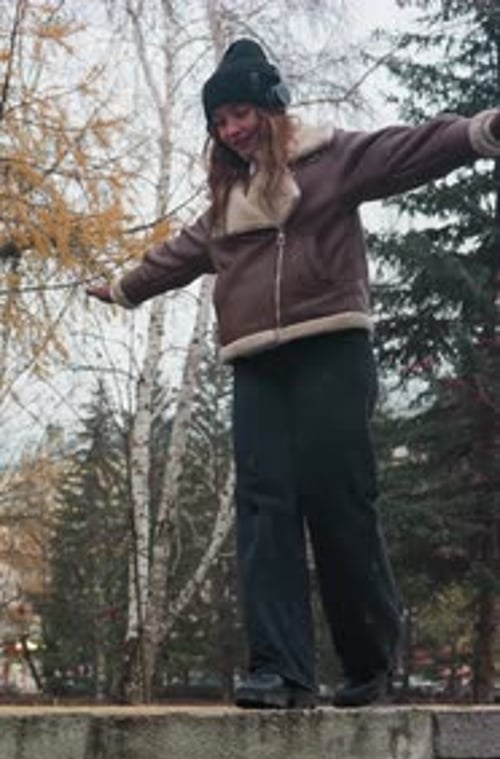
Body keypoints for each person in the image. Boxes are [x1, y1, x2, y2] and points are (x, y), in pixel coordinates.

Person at [86, 39, 500, 709]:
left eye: (242, 113)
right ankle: (280, 670)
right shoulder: (228, 200)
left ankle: (366, 662)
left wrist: (480, 132)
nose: (232, 130)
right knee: (263, 505)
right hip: (254, 362)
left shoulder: (331, 161)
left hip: (330, 349)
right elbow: (182, 253)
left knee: (338, 496)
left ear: (272, 107)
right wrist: (123, 287)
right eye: (220, 122)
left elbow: (410, 148)